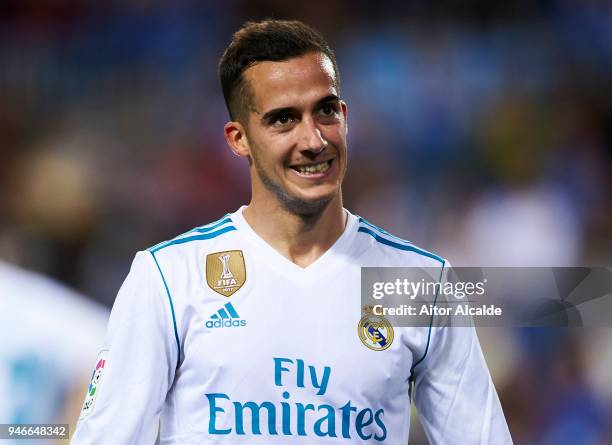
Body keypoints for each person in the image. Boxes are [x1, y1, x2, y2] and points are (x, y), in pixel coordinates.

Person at [71, 19, 512, 444]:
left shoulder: (419, 282)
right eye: (283, 119)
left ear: (344, 114)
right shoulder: (169, 277)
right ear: (238, 138)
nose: (314, 140)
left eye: (324, 111)